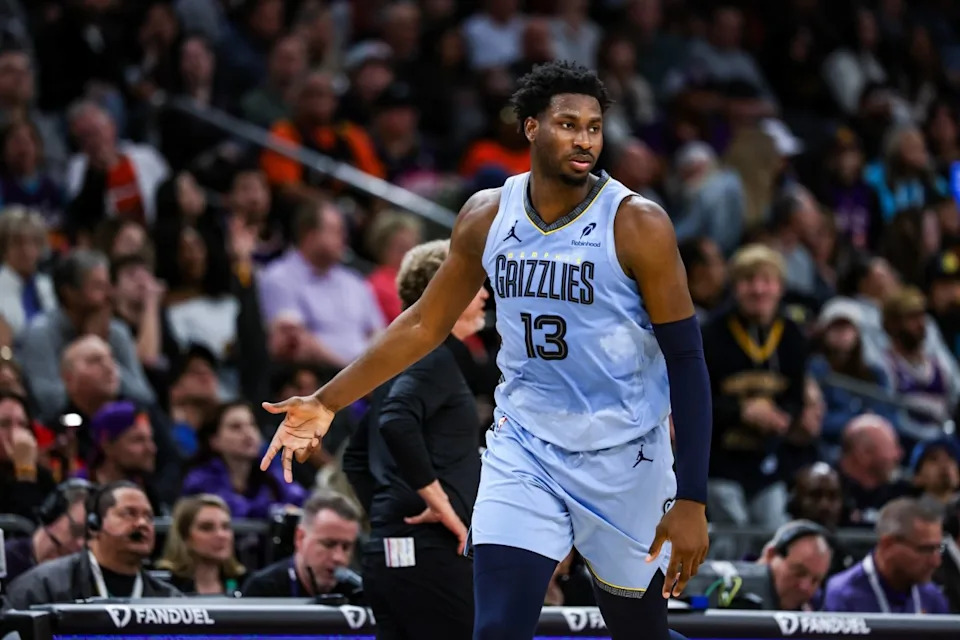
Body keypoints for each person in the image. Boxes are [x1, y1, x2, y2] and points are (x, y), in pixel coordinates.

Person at [260, 60, 711, 640]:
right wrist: (327, 401)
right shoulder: (487, 215)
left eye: (594, 127)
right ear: (530, 128)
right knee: (496, 630)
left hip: (625, 456)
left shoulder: (637, 225)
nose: (584, 140)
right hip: (525, 448)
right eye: (568, 124)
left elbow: (688, 361)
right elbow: (424, 323)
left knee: (641, 633)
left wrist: (693, 497)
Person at [344, 239, 484, 639]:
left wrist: (391, 514)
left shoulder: (403, 360)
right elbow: (395, 421)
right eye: (474, 284)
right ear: (448, 289)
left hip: (394, 552)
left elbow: (355, 457)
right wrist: (439, 506)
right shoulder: (433, 356)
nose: (486, 293)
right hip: (431, 553)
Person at [3, 480, 180, 609]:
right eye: (129, 514)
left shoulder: (169, 599)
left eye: (148, 517)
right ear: (94, 525)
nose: (142, 523)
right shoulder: (42, 586)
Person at [240, 490, 362, 600]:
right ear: (300, 538)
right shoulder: (262, 591)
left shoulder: (358, 591)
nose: (339, 557)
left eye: (346, 547)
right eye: (328, 544)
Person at [155, 494, 246, 595]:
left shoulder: (247, 584)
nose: (221, 535)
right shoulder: (163, 587)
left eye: (225, 527)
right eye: (206, 528)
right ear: (184, 536)